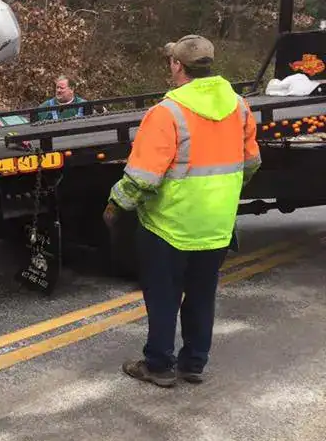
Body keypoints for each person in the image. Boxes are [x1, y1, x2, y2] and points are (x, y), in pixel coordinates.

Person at [103, 35, 261, 387]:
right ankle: (193, 363)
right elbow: (251, 163)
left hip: (169, 226)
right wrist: (222, 194)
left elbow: (142, 177)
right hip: (217, 225)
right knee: (203, 295)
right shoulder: (239, 107)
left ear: (177, 65)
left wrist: (116, 204)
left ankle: (158, 365)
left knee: (163, 297)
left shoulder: (167, 113)